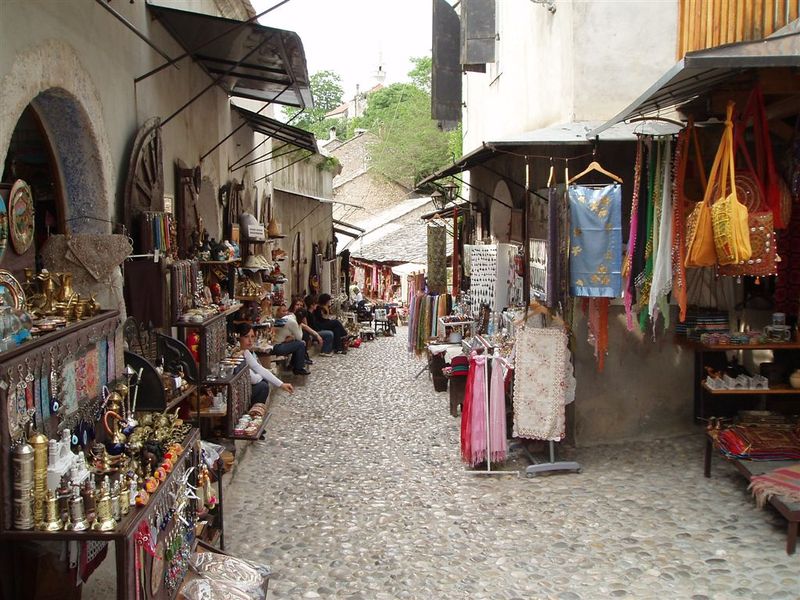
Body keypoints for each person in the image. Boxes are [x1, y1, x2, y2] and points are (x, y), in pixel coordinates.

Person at [236, 322, 293, 404]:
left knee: (263, 382)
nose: (250, 340)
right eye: (246, 337)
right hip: (237, 392)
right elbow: (254, 379)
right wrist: (262, 375)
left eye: (252, 336)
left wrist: (281, 384)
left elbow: (258, 368)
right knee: (262, 386)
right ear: (238, 338)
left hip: (244, 387)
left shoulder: (245, 352)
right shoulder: (237, 355)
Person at [273, 304, 311, 375]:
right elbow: (299, 337)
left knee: (297, 342)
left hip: (276, 343)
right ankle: (298, 368)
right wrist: (300, 325)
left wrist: (292, 337)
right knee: (301, 344)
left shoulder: (288, 317)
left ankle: (293, 364)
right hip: (278, 347)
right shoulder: (293, 322)